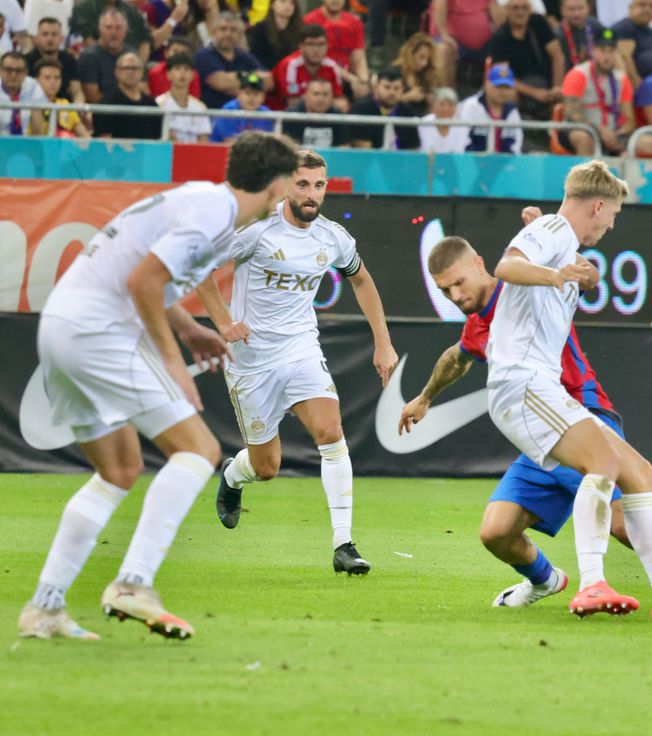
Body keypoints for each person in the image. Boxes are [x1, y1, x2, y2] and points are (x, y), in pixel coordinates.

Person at [17, 133, 297, 641]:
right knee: (199, 450)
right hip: (96, 331)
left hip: (61, 326)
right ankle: (133, 582)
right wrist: (171, 358)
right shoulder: (213, 213)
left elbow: (146, 275)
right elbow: (141, 282)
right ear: (277, 186)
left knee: (119, 470)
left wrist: (188, 329)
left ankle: (45, 607)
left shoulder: (201, 201)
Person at [400, 229, 652, 618]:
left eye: (459, 283)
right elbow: (458, 356)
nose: (456, 296)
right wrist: (425, 397)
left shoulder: (525, 288)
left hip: (583, 415)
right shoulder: (479, 322)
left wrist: (562, 258)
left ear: (480, 264)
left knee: (622, 524)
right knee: (496, 533)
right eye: (446, 291)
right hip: (540, 434)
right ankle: (545, 580)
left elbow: (578, 271)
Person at [469, 161, 652, 620]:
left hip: (541, 385)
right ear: (598, 205)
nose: (613, 224)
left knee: (639, 471)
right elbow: (507, 265)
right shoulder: (553, 229)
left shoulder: (558, 239)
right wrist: (557, 275)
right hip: (522, 384)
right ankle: (592, 583)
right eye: (614, 214)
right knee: (605, 462)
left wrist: (572, 272)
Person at [197, 149, 397, 575]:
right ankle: (234, 475)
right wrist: (225, 322)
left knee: (330, 431)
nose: (312, 194)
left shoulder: (332, 237)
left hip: (302, 349)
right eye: (303, 184)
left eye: (319, 185)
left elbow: (361, 278)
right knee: (267, 467)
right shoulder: (255, 230)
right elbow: (202, 269)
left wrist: (383, 341)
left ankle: (344, 544)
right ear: (287, 185)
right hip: (251, 360)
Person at [486, 0, 564, 116]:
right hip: (518, 87)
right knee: (507, 94)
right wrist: (535, 93)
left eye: (524, 7)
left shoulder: (539, 23)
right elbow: (504, 75)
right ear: (507, 10)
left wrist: (557, 87)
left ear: (530, 9)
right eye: (515, 8)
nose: (520, 12)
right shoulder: (500, 36)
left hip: (547, 82)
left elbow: (558, 56)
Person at [560, 28, 634, 154]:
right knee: (585, 139)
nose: (607, 57)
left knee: (638, 145)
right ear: (593, 51)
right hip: (580, 129)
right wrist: (599, 131)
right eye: (602, 51)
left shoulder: (621, 79)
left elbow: (629, 120)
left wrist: (617, 135)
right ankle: (584, 174)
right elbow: (572, 114)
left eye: (611, 51)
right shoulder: (578, 74)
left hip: (612, 132)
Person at [304, 0, 369, 102]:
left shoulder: (354, 23)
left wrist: (363, 81)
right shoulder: (310, 20)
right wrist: (350, 77)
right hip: (319, 76)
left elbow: (359, 57)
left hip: (348, 77)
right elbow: (315, 58)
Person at [68, 0, 151, 59]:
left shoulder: (132, 10)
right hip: (97, 62)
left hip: (131, 66)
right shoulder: (83, 7)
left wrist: (138, 65)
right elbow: (86, 40)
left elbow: (145, 41)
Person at [196, 11, 270, 109]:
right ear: (213, 32)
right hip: (212, 116)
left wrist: (238, 78)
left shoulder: (244, 56)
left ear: (239, 35)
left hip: (245, 117)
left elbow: (269, 81)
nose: (228, 34)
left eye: (233, 30)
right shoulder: (204, 55)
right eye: (223, 29)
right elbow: (221, 83)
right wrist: (251, 80)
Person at [269, 23, 345, 111]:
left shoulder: (331, 66)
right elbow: (292, 102)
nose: (316, 50)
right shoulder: (291, 65)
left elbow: (338, 98)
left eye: (321, 44)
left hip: (317, 110)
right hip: (280, 112)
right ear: (301, 47)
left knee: (341, 105)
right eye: (311, 44)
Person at [346, 67, 420, 149]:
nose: (392, 92)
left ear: (402, 89)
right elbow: (364, 151)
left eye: (396, 88)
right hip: (373, 160)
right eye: (387, 87)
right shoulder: (361, 108)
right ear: (376, 87)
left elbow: (414, 148)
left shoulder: (407, 111)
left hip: (401, 160)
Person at [459, 62, 523, 153]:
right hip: (472, 162)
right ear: (487, 85)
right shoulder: (471, 106)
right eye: (498, 87)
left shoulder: (512, 111)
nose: (503, 92)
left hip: (504, 164)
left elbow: (516, 145)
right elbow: (462, 141)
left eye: (507, 87)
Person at [156, 52, 211, 143]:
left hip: (195, 154)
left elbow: (203, 140)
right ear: (168, 75)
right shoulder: (159, 104)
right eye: (177, 69)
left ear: (192, 75)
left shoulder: (200, 107)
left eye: (187, 69)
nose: (182, 73)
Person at [282, 76, 350, 148]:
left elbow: (343, 148)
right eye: (316, 94)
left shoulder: (339, 118)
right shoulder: (291, 117)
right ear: (306, 95)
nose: (320, 99)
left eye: (325, 94)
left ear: (332, 97)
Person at [29, 58, 89, 137]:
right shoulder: (28, 104)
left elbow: (85, 136)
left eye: (57, 78)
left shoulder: (65, 104)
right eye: (47, 77)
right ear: (37, 80)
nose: (53, 82)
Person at [24, 17, 80, 102]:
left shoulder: (70, 60)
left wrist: (79, 108)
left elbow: (77, 92)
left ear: (62, 38)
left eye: (54, 34)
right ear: (37, 37)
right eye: (45, 34)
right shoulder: (26, 61)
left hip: (64, 109)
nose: (50, 39)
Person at [248, 0, 303, 72]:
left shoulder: (300, 29)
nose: (287, 5)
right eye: (282, 1)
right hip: (267, 74)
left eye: (292, 3)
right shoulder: (260, 28)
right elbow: (255, 58)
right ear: (272, 5)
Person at [209, 71, 272, 143]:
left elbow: (266, 142)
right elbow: (229, 142)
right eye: (247, 93)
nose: (252, 98)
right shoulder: (229, 111)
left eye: (256, 94)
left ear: (263, 97)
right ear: (238, 94)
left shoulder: (266, 114)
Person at [391, 32, 438, 114]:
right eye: (421, 57)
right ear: (410, 53)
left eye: (428, 59)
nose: (425, 63)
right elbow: (383, 102)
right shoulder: (394, 72)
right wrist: (407, 97)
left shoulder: (426, 74)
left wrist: (431, 100)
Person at [0, 50, 45, 135]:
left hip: (23, 143)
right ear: (0, 71)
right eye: (8, 70)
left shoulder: (33, 86)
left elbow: (38, 130)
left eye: (18, 70)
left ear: (26, 72)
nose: (13, 74)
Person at [556, 0, 603, 69]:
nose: (576, 14)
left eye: (580, 8)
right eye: (571, 9)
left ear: (588, 8)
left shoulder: (595, 25)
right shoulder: (558, 35)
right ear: (562, 10)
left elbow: (609, 37)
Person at [418, 86, 469, 152]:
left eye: (450, 105)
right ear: (433, 107)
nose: (446, 109)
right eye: (442, 104)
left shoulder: (462, 127)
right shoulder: (422, 124)